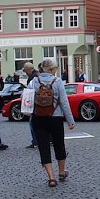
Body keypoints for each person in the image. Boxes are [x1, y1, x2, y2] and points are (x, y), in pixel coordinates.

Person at [28, 58, 75, 187]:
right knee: (59, 144)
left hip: (38, 118)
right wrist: (70, 121)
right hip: (56, 117)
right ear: (52, 69)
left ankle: (51, 178)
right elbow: (64, 102)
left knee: (43, 147)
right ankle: (61, 172)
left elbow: (26, 97)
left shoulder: (34, 81)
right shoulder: (58, 81)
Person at [22, 62, 39, 149]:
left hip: (34, 104)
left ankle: (35, 142)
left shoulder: (32, 78)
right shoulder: (38, 75)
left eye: (25, 71)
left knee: (32, 123)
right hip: (41, 104)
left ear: (29, 69)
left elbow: (29, 93)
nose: (25, 73)